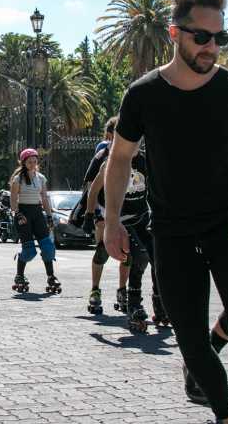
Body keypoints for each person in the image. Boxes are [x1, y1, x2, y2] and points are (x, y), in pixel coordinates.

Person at [102, 0, 228, 423]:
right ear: (175, 33)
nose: (212, 47)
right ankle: (225, 415)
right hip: (173, 229)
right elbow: (120, 158)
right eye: (202, 37)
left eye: (221, 38)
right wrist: (111, 221)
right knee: (190, 338)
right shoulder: (143, 94)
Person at [87, 139, 160, 330]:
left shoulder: (146, 161)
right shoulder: (111, 163)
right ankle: (100, 290)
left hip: (142, 217)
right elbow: (93, 190)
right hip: (118, 221)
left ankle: (159, 302)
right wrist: (89, 215)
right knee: (107, 255)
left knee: (154, 256)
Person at [81, 117, 134, 315]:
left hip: (127, 212)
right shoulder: (102, 157)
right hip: (104, 210)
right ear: (111, 136)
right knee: (103, 250)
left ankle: (122, 291)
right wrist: (88, 214)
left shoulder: (136, 155)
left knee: (127, 253)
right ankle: (95, 290)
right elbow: (91, 189)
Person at [10, 148, 60, 293]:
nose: (32, 164)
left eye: (34, 161)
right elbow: (13, 199)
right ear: (23, 162)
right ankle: (19, 275)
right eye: (29, 161)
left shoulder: (41, 178)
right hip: (23, 214)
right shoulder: (18, 179)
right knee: (29, 251)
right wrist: (17, 213)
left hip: (37, 213)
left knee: (48, 247)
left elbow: (44, 198)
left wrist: (49, 216)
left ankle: (51, 276)